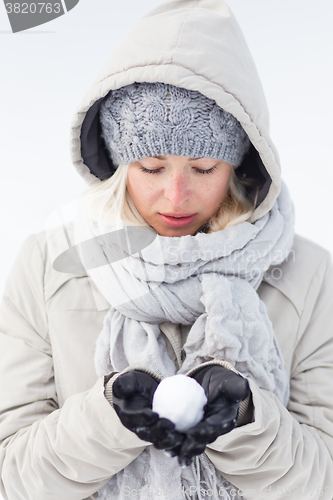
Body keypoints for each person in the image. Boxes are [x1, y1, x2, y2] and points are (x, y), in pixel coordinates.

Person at [1, 0, 333, 499]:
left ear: (242, 166)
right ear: (117, 164)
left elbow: (323, 480)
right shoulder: (49, 266)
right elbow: (13, 475)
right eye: (151, 169)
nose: (175, 197)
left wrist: (246, 419)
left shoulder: (308, 274)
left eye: (203, 169)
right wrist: (110, 416)